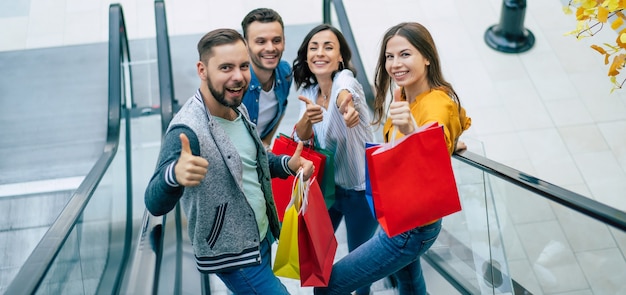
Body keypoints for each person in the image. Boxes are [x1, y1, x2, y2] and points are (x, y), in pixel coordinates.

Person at [144, 28, 313, 294]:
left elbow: (250, 162)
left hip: (260, 237)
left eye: (243, 66)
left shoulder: (236, 107)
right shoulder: (187, 129)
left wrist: (285, 165)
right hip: (234, 255)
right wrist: (175, 175)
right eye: (226, 67)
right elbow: (154, 202)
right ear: (202, 70)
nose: (238, 77)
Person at [314, 22, 471, 295]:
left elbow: (435, 138)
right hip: (400, 216)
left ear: (427, 57)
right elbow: (446, 136)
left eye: (405, 54)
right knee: (409, 283)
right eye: (390, 56)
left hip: (411, 228)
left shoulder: (436, 104)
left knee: (329, 286)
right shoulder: (409, 96)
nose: (395, 63)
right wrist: (449, 144)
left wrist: (412, 131)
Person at [292, 24, 379, 295]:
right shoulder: (307, 93)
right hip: (327, 189)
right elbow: (302, 137)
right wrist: (307, 119)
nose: (320, 52)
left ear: (340, 57)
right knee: (318, 257)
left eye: (328, 47)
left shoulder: (346, 81)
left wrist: (347, 106)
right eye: (313, 47)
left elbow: (345, 90)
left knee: (359, 263)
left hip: (361, 191)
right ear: (306, 57)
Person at [241, 8, 293, 149]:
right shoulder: (237, 83)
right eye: (261, 42)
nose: (270, 48)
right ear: (245, 45)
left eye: (276, 40)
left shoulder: (285, 72)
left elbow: (283, 106)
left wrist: (265, 143)